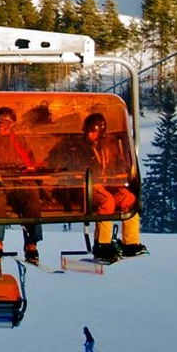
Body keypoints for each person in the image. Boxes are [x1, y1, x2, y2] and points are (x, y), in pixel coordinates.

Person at [48, 111, 137, 262]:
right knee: (107, 202)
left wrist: (119, 173)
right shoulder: (76, 146)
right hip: (84, 187)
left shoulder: (109, 146)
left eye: (94, 132)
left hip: (107, 184)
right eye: (88, 131)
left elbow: (117, 165)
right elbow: (63, 163)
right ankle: (102, 244)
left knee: (129, 199)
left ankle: (131, 243)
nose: (90, 135)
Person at [0, 105, 44, 264]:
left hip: (17, 183)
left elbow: (30, 162)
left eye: (6, 122)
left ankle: (31, 243)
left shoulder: (18, 142)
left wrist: (28, 170)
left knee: (32, 200)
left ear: (12, 125)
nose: (1, 125)